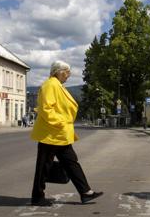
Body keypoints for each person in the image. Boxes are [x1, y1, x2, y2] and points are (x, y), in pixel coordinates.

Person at [30, 61, 103, 206]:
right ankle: (37, 197)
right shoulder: (50, 85)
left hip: (58, 134)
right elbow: (46, 109)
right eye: (67, 72)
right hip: (50, 133)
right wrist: (61, 122)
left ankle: (85, 192)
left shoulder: (57, 85)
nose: (69, 75)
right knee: (44, 166)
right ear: (59, 71)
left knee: (71, 162)